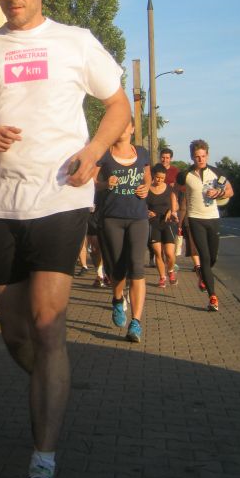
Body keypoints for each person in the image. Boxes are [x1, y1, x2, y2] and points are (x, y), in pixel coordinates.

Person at [0, 0, 130, 478]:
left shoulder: (75, 41)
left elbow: (118, 104)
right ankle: (53, 383)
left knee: (48, 327)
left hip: (61, 197)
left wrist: (95, 151)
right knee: (18, 335)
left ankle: (42, 462)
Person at [96, 120, 151, 342]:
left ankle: (136, 323)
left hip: (138, 217)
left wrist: (147, 187)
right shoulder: (104, 153)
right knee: (117, 268)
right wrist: (105, 184)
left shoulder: (142, 153)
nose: (121, 129)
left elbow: (147, 175)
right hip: (112, 218)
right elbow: (92, 181)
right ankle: (118, 300)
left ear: (132, 129)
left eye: (125, 125)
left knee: (137, 267)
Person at [177, 139, 234, 312]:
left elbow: (230, 191)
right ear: (192, 157)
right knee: (205, 257)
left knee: (213, 257)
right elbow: (175, 189)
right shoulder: (185, 175)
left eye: (203, 156)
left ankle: (202, 274)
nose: (200, 159)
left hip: (213, 218)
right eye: (197, 156)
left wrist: (219, 192)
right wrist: (175, 208)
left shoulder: (217, 173)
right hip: (195, 219)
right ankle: (213, 297)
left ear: (207, 155)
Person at [146, 163, 179, 287]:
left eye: (162, 178)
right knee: (158, 252)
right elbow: (141, 205)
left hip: (167, 223)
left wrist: (171, 211)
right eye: (157, 177)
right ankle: (162, 277)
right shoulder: (147, 189)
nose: (159, 180)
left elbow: (176, 205)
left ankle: (170, 271)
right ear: (153, 176)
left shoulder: (169, 189)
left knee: (170, 254)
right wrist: (146, 211)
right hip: (153, 223)